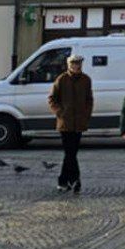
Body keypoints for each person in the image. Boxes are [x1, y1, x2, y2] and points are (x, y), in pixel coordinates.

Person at [48, 55, 95, 193]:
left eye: (79, 63)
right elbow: (52, 98)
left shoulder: (86, 80)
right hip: (65, 123)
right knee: (70, 152)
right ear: (69, 65)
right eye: (74, 63)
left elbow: (89, 99)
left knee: (72, 153)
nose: (77, 66)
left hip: (79, 122)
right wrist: (60, 112)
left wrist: (86, 114)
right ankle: (74, 180)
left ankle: (65, 180)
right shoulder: (62, 79)